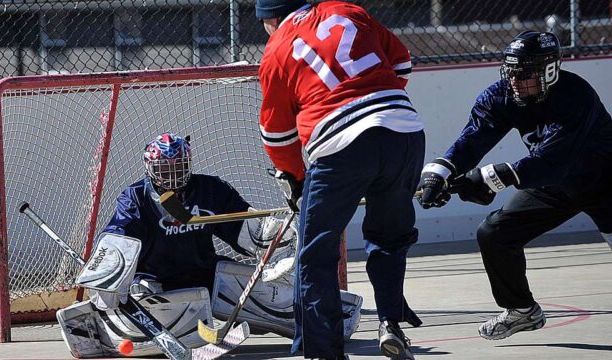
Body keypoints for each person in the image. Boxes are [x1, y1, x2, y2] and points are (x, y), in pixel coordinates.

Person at [56, 132, 363, 358]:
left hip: (205, 272)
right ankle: (105, 324)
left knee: (272, 299)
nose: (173, 176)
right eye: (165, 170)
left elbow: (247, 231)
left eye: (179, 167)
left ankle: (334, 318)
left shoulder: (210, 190)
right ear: (149, 169)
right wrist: (111, 278)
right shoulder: (134, 199)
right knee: (163, 314)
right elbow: (118, 238)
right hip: (153, 282)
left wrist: (278, 229)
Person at [416, 31, 612, 340]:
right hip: (555, 186)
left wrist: (489, 178)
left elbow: (552, 162)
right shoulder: (502, 95)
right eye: (510, 73)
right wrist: (441, 172)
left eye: (524, 74)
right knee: (495, 233)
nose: (515, 82)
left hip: (604, 181)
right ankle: (522, 310)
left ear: (550, 70)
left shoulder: (576, 95)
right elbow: (474, 138)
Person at [256, 1, 425, 359]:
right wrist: (376, 102)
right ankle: (389, 323)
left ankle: (322, 352)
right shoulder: (345, 9)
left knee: (316, 254)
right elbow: (401, 61)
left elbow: (277, 136)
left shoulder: (276, 49)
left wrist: (297, 181)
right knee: (389, 239)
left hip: (340, 146)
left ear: (269, 19)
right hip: (404, 130)